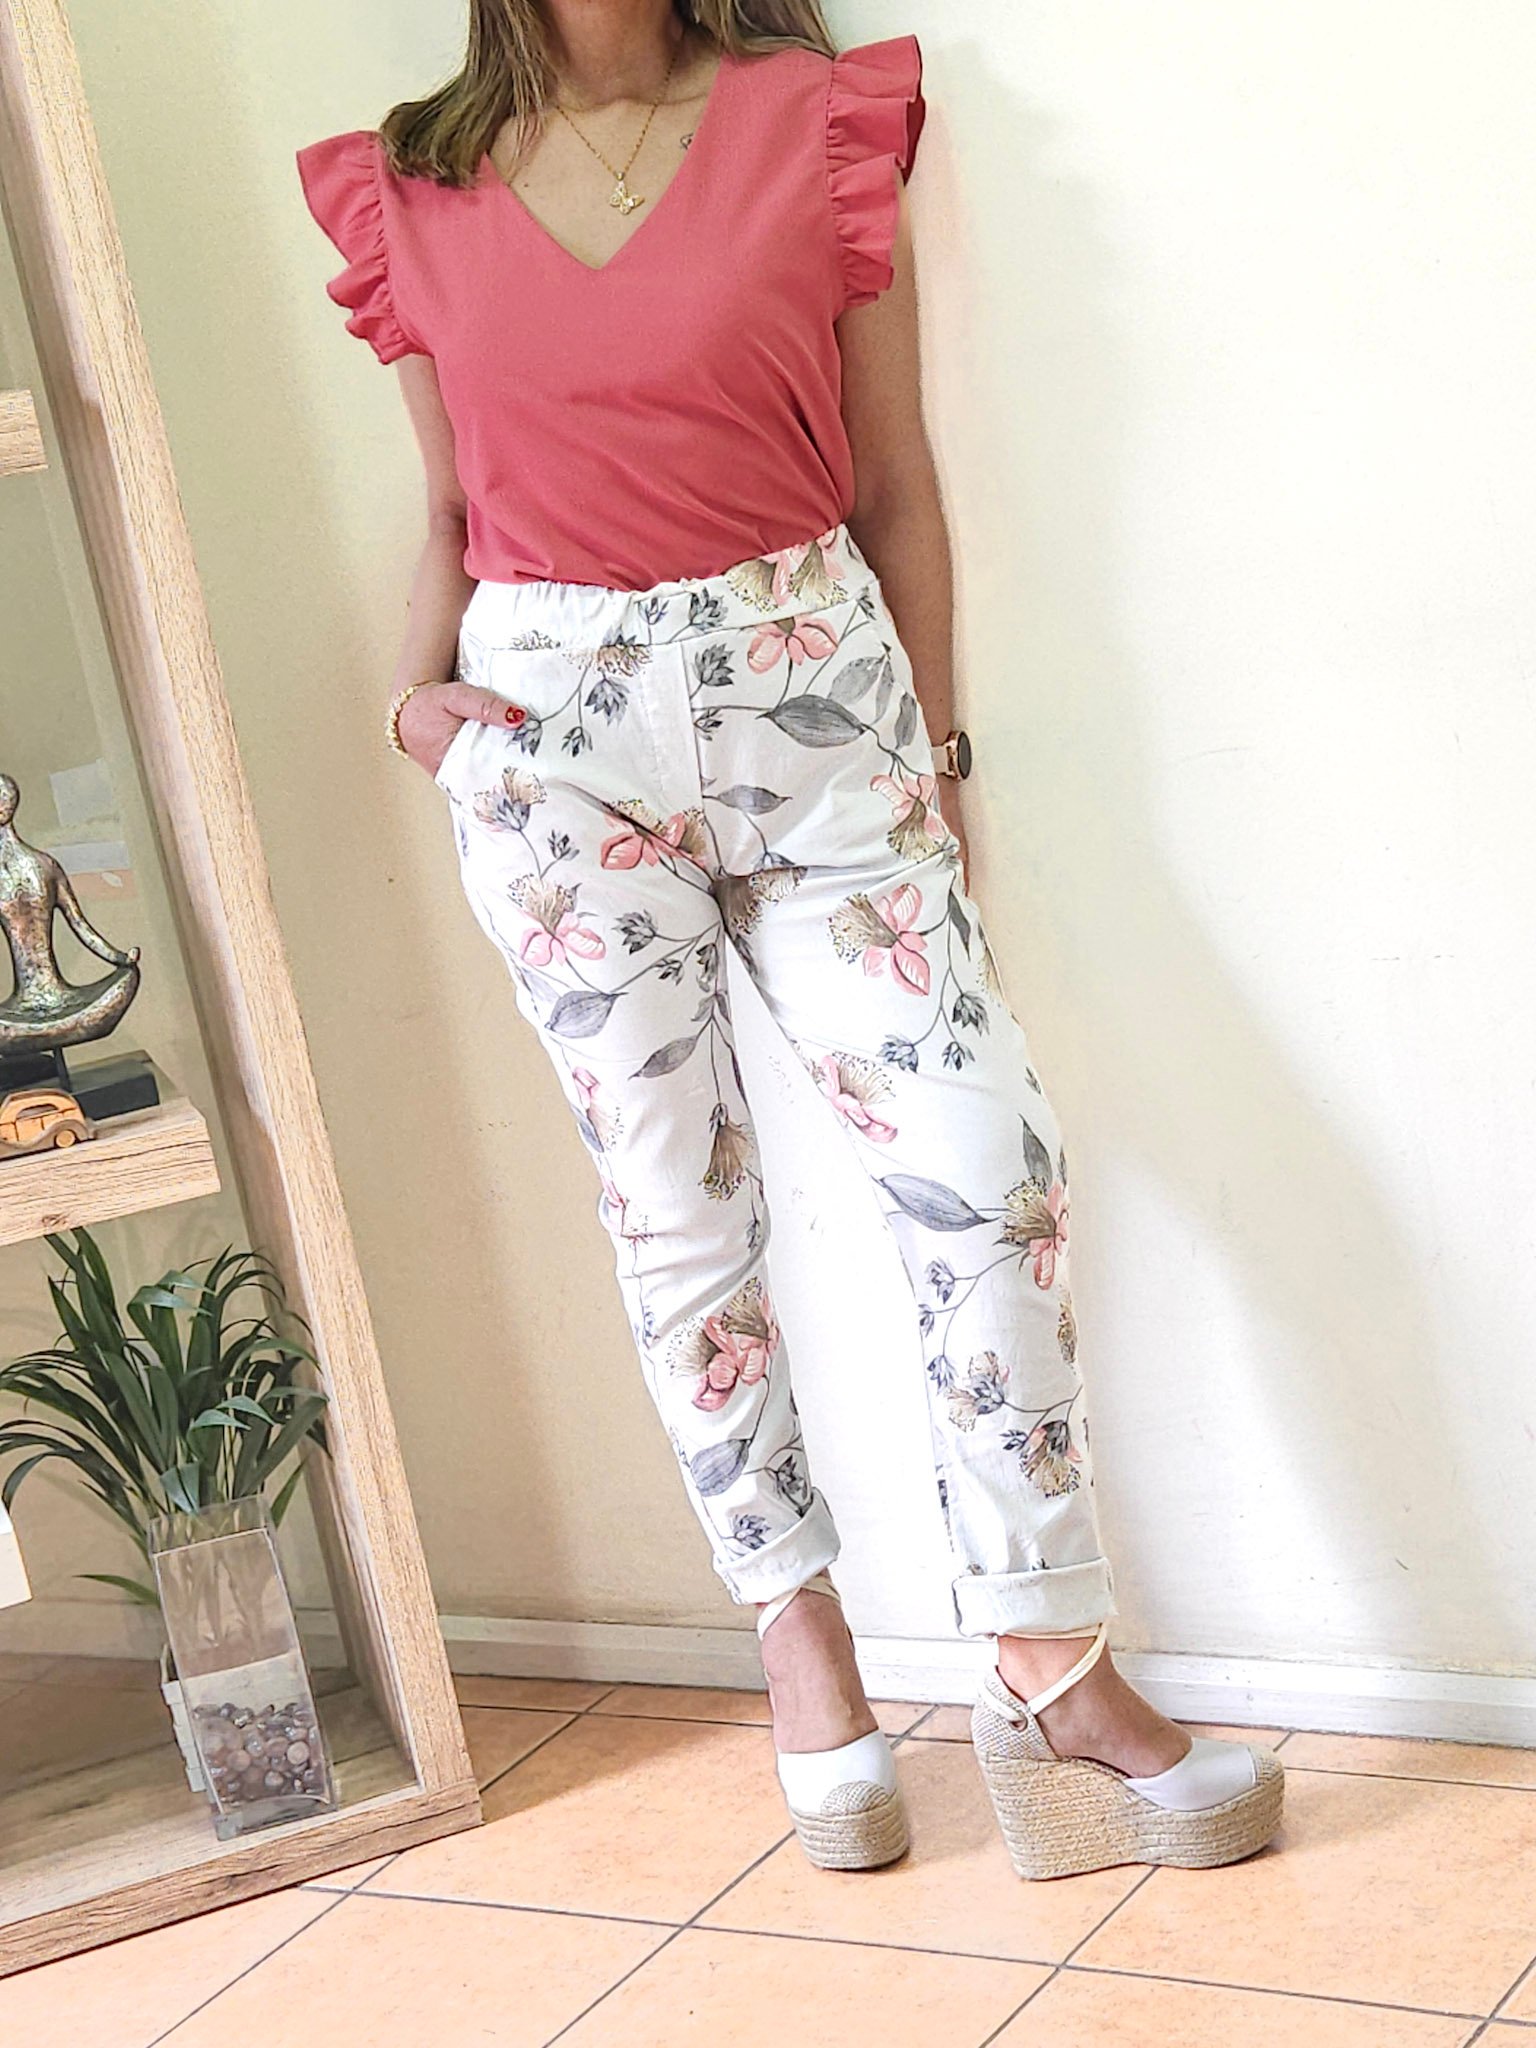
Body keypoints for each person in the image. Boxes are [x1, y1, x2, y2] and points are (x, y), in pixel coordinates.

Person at [298, 0, 1283, 1879]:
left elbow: (893, 480)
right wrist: (411, 705)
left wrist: (946, 763)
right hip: (552, 744)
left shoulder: (813, 123)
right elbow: (445, 510)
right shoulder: (414, 185)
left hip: (822, 717)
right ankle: (798, 1636)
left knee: (985, 1170)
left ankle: (1044, 1652)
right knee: (676, 1204)